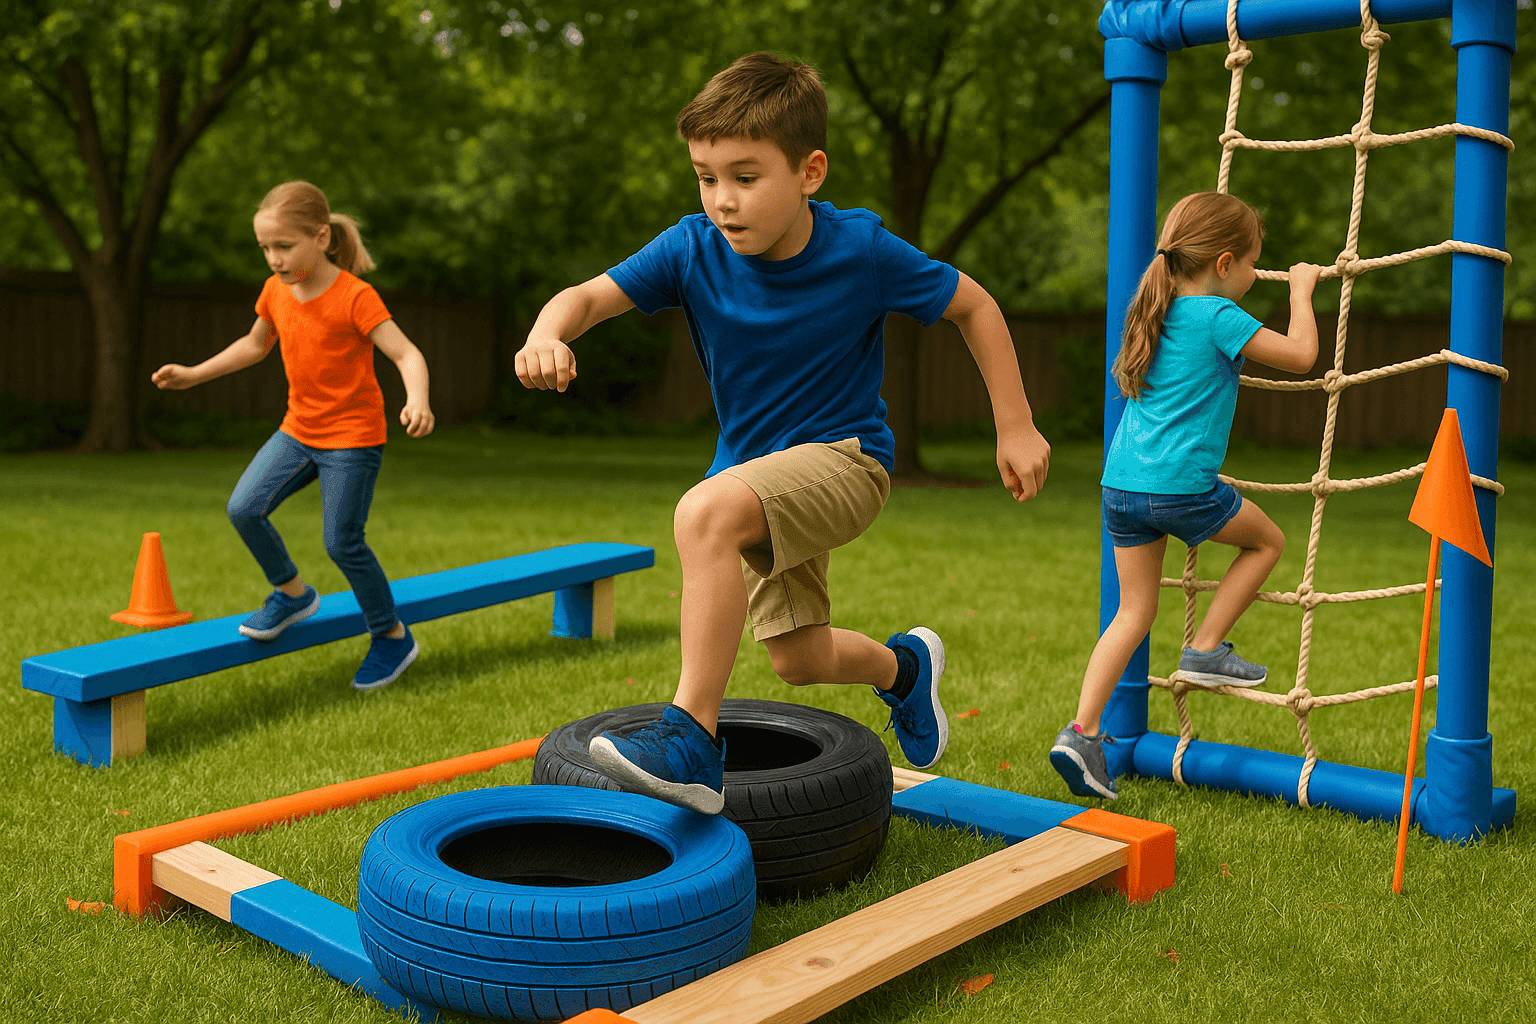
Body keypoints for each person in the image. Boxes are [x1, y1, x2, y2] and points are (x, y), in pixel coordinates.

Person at [516, 52, 1052, 815]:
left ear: (810, 172)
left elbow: (973, 305)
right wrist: (547, 331)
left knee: (704, 512)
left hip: (848, 461)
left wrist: (1016, 424)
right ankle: (903, 671)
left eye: (744, 176)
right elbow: (586, 297)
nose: (722, 201)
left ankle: (690, 740)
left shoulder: (860, 250)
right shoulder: (690, 247)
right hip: (759, 474)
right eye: (706, 177)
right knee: (798, 659)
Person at [1051, 190, 1321, 800]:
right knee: (1268, 542)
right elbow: (1302, 357)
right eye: (1253, 264)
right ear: (1223, 264)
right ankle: (1203, 648)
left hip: (1120, 486)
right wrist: (1301, 290)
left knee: (1133, 611)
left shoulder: (1155, 307)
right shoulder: (1219, 315)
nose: (1255, 274)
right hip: (1179, 491)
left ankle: (1081, 732)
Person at [151, 181, 435, 691]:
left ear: (322, 238)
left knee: (342, 542)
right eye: (265, 247)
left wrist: (416, 399)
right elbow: (254, 345)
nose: (273, 258)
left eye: (283, 246)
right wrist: (193, 374)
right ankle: (292, 594)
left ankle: (391, 636)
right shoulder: (274, 291)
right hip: (298, 430)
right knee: (244, 508)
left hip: (352, 437)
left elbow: (406, 353)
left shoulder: (355, 295)